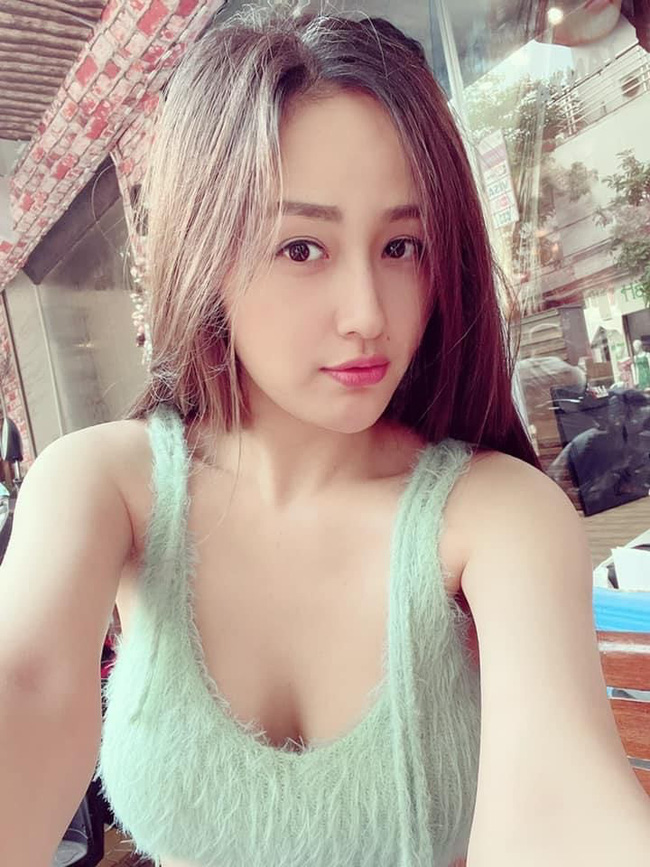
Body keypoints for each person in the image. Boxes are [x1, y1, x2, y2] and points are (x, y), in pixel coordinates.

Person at [1, 6, 649, 867]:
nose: (367, 314)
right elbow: (27, 688)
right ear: (206, 253)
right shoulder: (104, 487)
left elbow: (560, 805)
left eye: (402, 245)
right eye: (302, 248)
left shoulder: (496, 515)